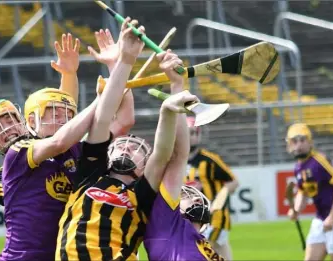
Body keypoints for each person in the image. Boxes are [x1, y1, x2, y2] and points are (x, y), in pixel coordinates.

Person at [56, 17, 201, 261]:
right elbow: (102, 119)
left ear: (145, 166)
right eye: (122, 144)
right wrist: (125, 60)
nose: (126, 148)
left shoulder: (142, 194)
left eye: (136, 149)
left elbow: (172, 154)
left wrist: (177, 86)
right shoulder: (90, 174)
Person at [0, 27, 136, 260]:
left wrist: (116, 65)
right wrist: (101, 97)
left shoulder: (77, 151)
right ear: (32, 120)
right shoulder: (19, 151)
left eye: (66, 113)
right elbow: (59, 141)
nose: (61, 118)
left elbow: (124, 120)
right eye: (52, 112)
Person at [0, 33, 81, 206]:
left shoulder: (50, 139)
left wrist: (69, 74)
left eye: (9, 120)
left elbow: (63, 111)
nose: (6, 128)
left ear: (26, 121)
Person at [140, 51, 223, 261]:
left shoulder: (204, 244)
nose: (194, 196)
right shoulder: (165, 223)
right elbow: (178, 155)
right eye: (184, 196)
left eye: (193, 195)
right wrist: (178, 87)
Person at [286, 123, 333, 261]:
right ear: (289, 145)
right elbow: (303, 192)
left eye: (302, 140)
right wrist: (296, 210)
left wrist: (332, 217)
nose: (299, 145)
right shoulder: (298, 167)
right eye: (294, 141)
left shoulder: (318, 161)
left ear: (310, 142)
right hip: (320, 219)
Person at [184, 116, 239, 260]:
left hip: (214, 218)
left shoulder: (209, 160)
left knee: (200, 251)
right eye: (187, 133)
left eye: (193, 133)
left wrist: (218, 202)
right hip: (193, 219)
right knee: (220, 253)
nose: (190, 137)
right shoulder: (176, 161)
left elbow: (233, 182)